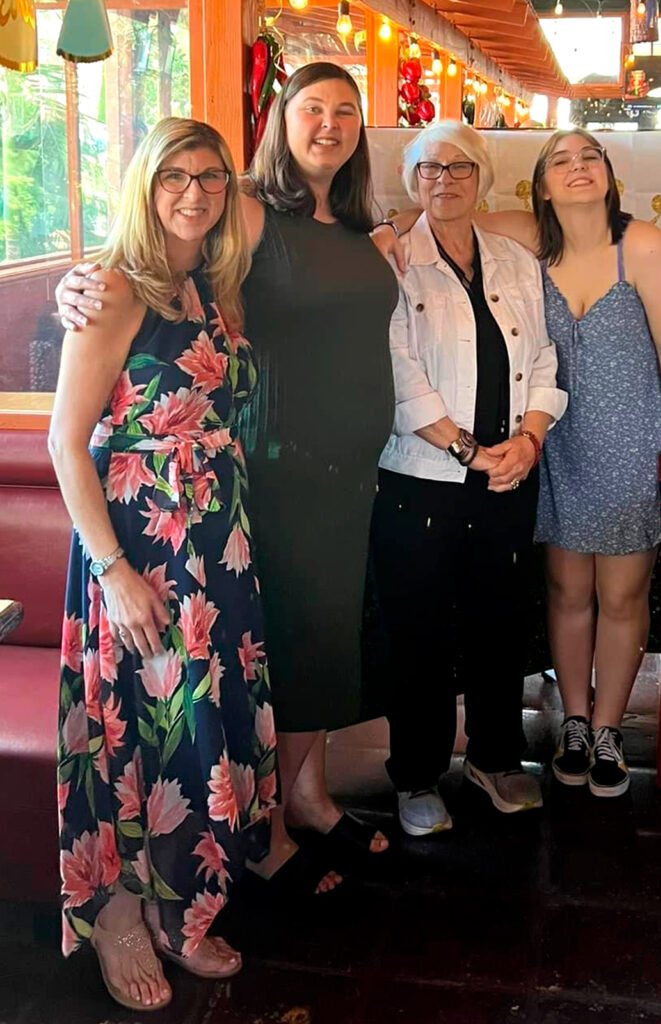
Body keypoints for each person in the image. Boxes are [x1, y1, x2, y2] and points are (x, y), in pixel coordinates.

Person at [56, 63, 396, 882]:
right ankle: (221, 845)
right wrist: (73, 281)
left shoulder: (357, 230)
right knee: (247, 660)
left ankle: (286, 809)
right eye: (310, 108)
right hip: (232, 485)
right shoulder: (242, 211)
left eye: (345, 111)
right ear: (280, 122)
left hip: (299, 488)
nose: (328, 124)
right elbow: (74, 426)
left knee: (298, 650)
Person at [374, 128, 661, 800]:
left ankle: (610, 728)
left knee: (619, 597)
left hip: (621, 443)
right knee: (565, 593)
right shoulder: (531, 237)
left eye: (590, 156)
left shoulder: (642, 246)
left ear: (610, 175)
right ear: (541, 184)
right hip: (550, 444)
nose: (577, 166)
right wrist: (387, 229)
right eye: (560, 160)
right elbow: (440, 208)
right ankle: (574, 725)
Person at [49, 117, 276, 1012]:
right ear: (143, 185)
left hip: (215, 551)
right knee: (134, 727)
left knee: (190, 725)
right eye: (172, 176)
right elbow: (68, 445)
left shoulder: (203, 286)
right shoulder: (110, 289)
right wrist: (114, 572)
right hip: (138, 550)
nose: (194, 192)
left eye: (211, 177)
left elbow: (275, 193)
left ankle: (179, 904)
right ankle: (117, 914)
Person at [370, 121, 567, 837]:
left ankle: (494, 758)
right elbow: (395, 369)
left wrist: (530, 438)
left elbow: (545, 360)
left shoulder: (514, 260)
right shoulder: (392, 260)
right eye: (429, 168)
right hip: (421, 476)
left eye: (459, 168)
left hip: (510, 475)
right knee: (419, 634)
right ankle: (417, 775)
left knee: (500, 623)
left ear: (481, 177)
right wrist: (467, 449)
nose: (444, 180)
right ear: (411, 180)